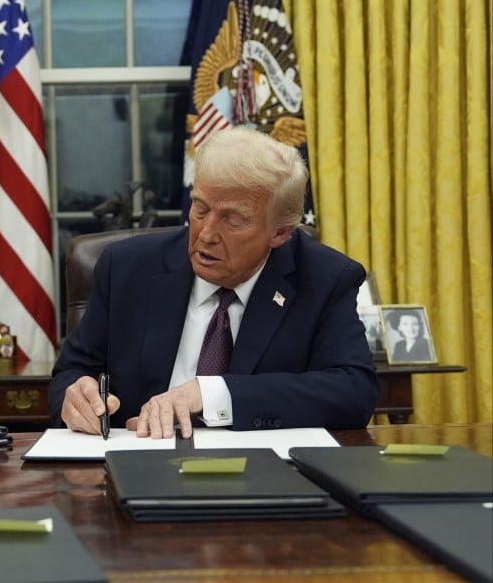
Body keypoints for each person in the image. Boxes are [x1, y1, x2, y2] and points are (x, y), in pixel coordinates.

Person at [49, 128, 379, 439]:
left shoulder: (324, 278)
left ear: (279, 233)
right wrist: (76, 397)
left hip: (263, 477)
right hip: (138, 462)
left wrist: (212, 394)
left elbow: (352, 392)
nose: (206, 234)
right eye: (200, 209)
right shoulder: (127, 268)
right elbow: (72, 371)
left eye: (233, 220)